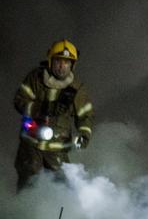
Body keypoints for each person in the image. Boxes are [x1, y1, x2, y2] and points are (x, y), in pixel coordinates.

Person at [13, 39, 94, 190]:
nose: (62, 66)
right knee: (28, 188)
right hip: (31, 145)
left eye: (66, 62)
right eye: (58, 62)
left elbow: (85, 115)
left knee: (63, 189)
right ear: (51, 61)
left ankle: (59, 213)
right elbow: (20, 101)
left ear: (72, 64)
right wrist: (40, 108)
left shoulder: (76, 89)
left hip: (57, 149)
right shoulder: (35, 79)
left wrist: (84, 134)